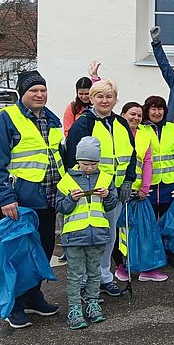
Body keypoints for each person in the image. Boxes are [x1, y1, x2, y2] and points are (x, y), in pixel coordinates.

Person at [0, 70, 65, 328]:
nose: (39, 94)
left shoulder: (51, 119)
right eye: (33, 90)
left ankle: (33, 296)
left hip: (49, 199)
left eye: (43, 90)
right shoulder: (6, 119)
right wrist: (4, 198)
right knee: (18, 256)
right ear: (22, 93)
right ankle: (15, 305)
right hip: (19, 202)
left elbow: (58, 156)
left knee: (43, 251)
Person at [65, 79, 136, 298]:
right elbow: (72, 158)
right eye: (100, 96)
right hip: (90, 192)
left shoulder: (121, 123)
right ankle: (85, 281)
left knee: (109, 235)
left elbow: (131, 154)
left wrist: (128, 181)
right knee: (89, 236)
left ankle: (104, 276)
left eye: (109, 96)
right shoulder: (84, 124)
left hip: (115, 192)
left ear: (115, 99)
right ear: (92, 99)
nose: (105, 101)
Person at [55, 136, 118, 329]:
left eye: (93, 164)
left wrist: (107, 196)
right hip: (74, 236)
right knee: (75, 275)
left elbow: (111, 205)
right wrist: (71, 200)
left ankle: (93, 303)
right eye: (85, 164)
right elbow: (60, 207)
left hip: (97, 235)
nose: (89, 168)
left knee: (94, 272)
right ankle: (74, 308)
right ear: (78, 161)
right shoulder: (66, 180)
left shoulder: (106, 178)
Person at [114, 102, 169, 280]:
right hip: (117, 190)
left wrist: (145, 188)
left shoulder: (145, 134)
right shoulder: (115, 131)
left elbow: (147, 162)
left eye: (139, 115)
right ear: (123, 114)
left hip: (137, 191)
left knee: (143, 231)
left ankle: (146, 268)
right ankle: (121, 266)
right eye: (132, 114)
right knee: (120, 231)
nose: (136, 118)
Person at [142, 95, 174, 276]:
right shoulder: (141, 129)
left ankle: (171, 253)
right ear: (147, 111)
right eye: (153, 108)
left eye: (160, 108)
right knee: (150, 223)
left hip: (169, 184)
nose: (156, 112)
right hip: (149, 185)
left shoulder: (172, 128)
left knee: (170, 223)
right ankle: (153, 256)